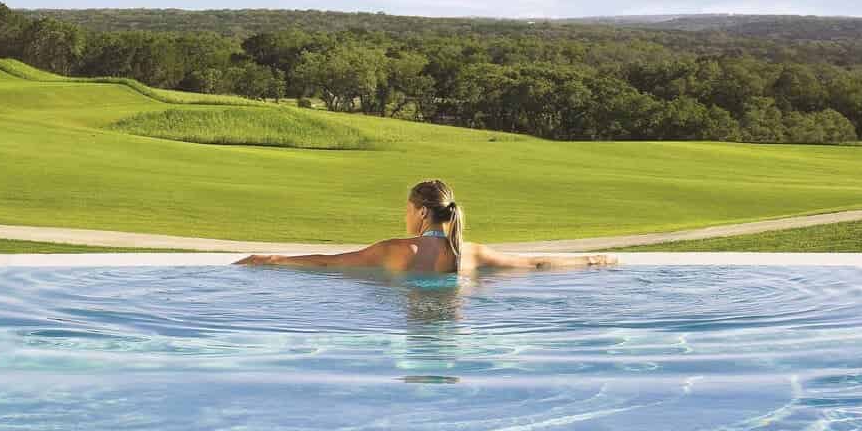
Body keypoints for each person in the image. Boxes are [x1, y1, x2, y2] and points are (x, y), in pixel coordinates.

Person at [236, 179, 616, 275]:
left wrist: (272, 258)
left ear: (420, 212)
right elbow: (534, 265)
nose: (404, 216)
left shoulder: (395, 250)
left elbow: (330, 263)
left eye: (407, 209)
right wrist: (591, 261)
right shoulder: (469, 253)